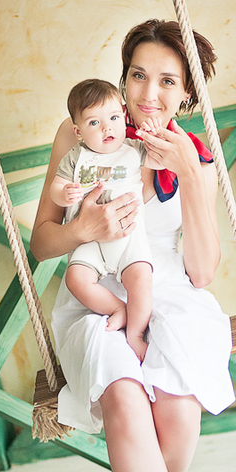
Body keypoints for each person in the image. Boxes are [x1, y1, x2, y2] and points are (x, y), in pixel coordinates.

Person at [31, 19, 235, 472]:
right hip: (94, 288)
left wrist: (192, 177)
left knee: (177, 405)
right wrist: (83, 228)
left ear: (187, 94)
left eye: (168, 82)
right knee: (124, 394)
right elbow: (42, 241)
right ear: (122, 78)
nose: (149, 94)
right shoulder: (81, 130)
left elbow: (202, 271)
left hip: (170, 291)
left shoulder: (193, 151)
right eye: (139, 75)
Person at [51, 78, 158, 362]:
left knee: (141, 280)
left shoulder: (133, 149)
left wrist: (152, 136)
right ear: (78, 131)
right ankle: (116, 308)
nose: (106, 128)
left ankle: (135, 334)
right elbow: (56, 188)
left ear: (123, 116)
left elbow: (159, 161)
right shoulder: (76, 158)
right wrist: (64, 193)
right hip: (90, 241)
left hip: (128, 236)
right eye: (94, 123)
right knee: (76, 278)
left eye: (112, 118)